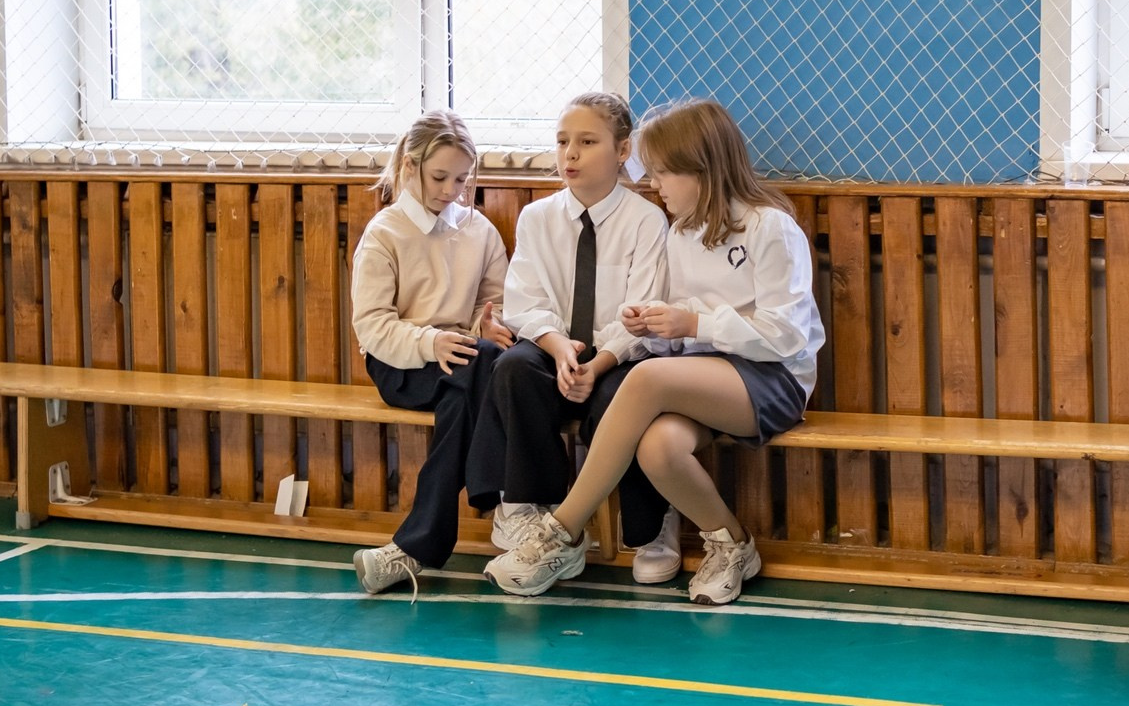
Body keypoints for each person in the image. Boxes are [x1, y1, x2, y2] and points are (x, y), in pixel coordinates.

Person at [482, 99, 823, 606]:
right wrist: (657, 327)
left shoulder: (769, 227)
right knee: (658, 447)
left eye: (663, 173)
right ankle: (733, 545)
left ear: (702, 169)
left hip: (772, 379)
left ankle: (562, 531)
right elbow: (683, 336)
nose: (654, 185)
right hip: (702, 375)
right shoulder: (682, 232)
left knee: (646, 379)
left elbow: (787, 334)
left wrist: (692, 323)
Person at [465, 92, 682, 580]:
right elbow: (525, 302)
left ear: (622, 151)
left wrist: (596, 362)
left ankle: (651, 525)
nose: (570, 154)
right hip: (556, 350)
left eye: (587, 142)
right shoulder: (538, 218)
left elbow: (643, 312)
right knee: (513, 367)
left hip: (617, 356)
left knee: (628, 391)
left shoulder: (646, 221)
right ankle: (539, 515)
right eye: (563, 142)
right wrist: (561, 350)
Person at [350, 110, 512, 595]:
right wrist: (430, 342)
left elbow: (498, 301)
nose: (451, 190)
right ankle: (498, 497)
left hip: (463, 361)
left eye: (462, 179)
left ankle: (414, 548)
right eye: (440, 176)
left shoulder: (479, 229)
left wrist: (492, 323)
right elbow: (373, 326)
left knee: (470, 379)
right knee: (477, 368)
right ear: (409, 166)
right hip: (400, 361)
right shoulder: (385, 233)